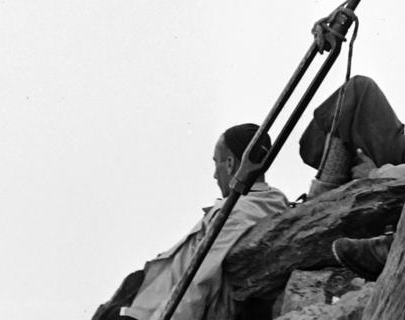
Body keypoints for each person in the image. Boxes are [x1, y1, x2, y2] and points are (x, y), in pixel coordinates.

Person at [90, 123, 289, 320]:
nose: (214, 175)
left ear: (229, 164)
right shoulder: (273, 201)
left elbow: (199, 280)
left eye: (216, 162)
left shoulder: (234, 213)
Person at [298, 73, 405, 194]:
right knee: (355, 95)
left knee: (359, 90)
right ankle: (332, 176)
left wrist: (374, 174)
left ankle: (327, 184)